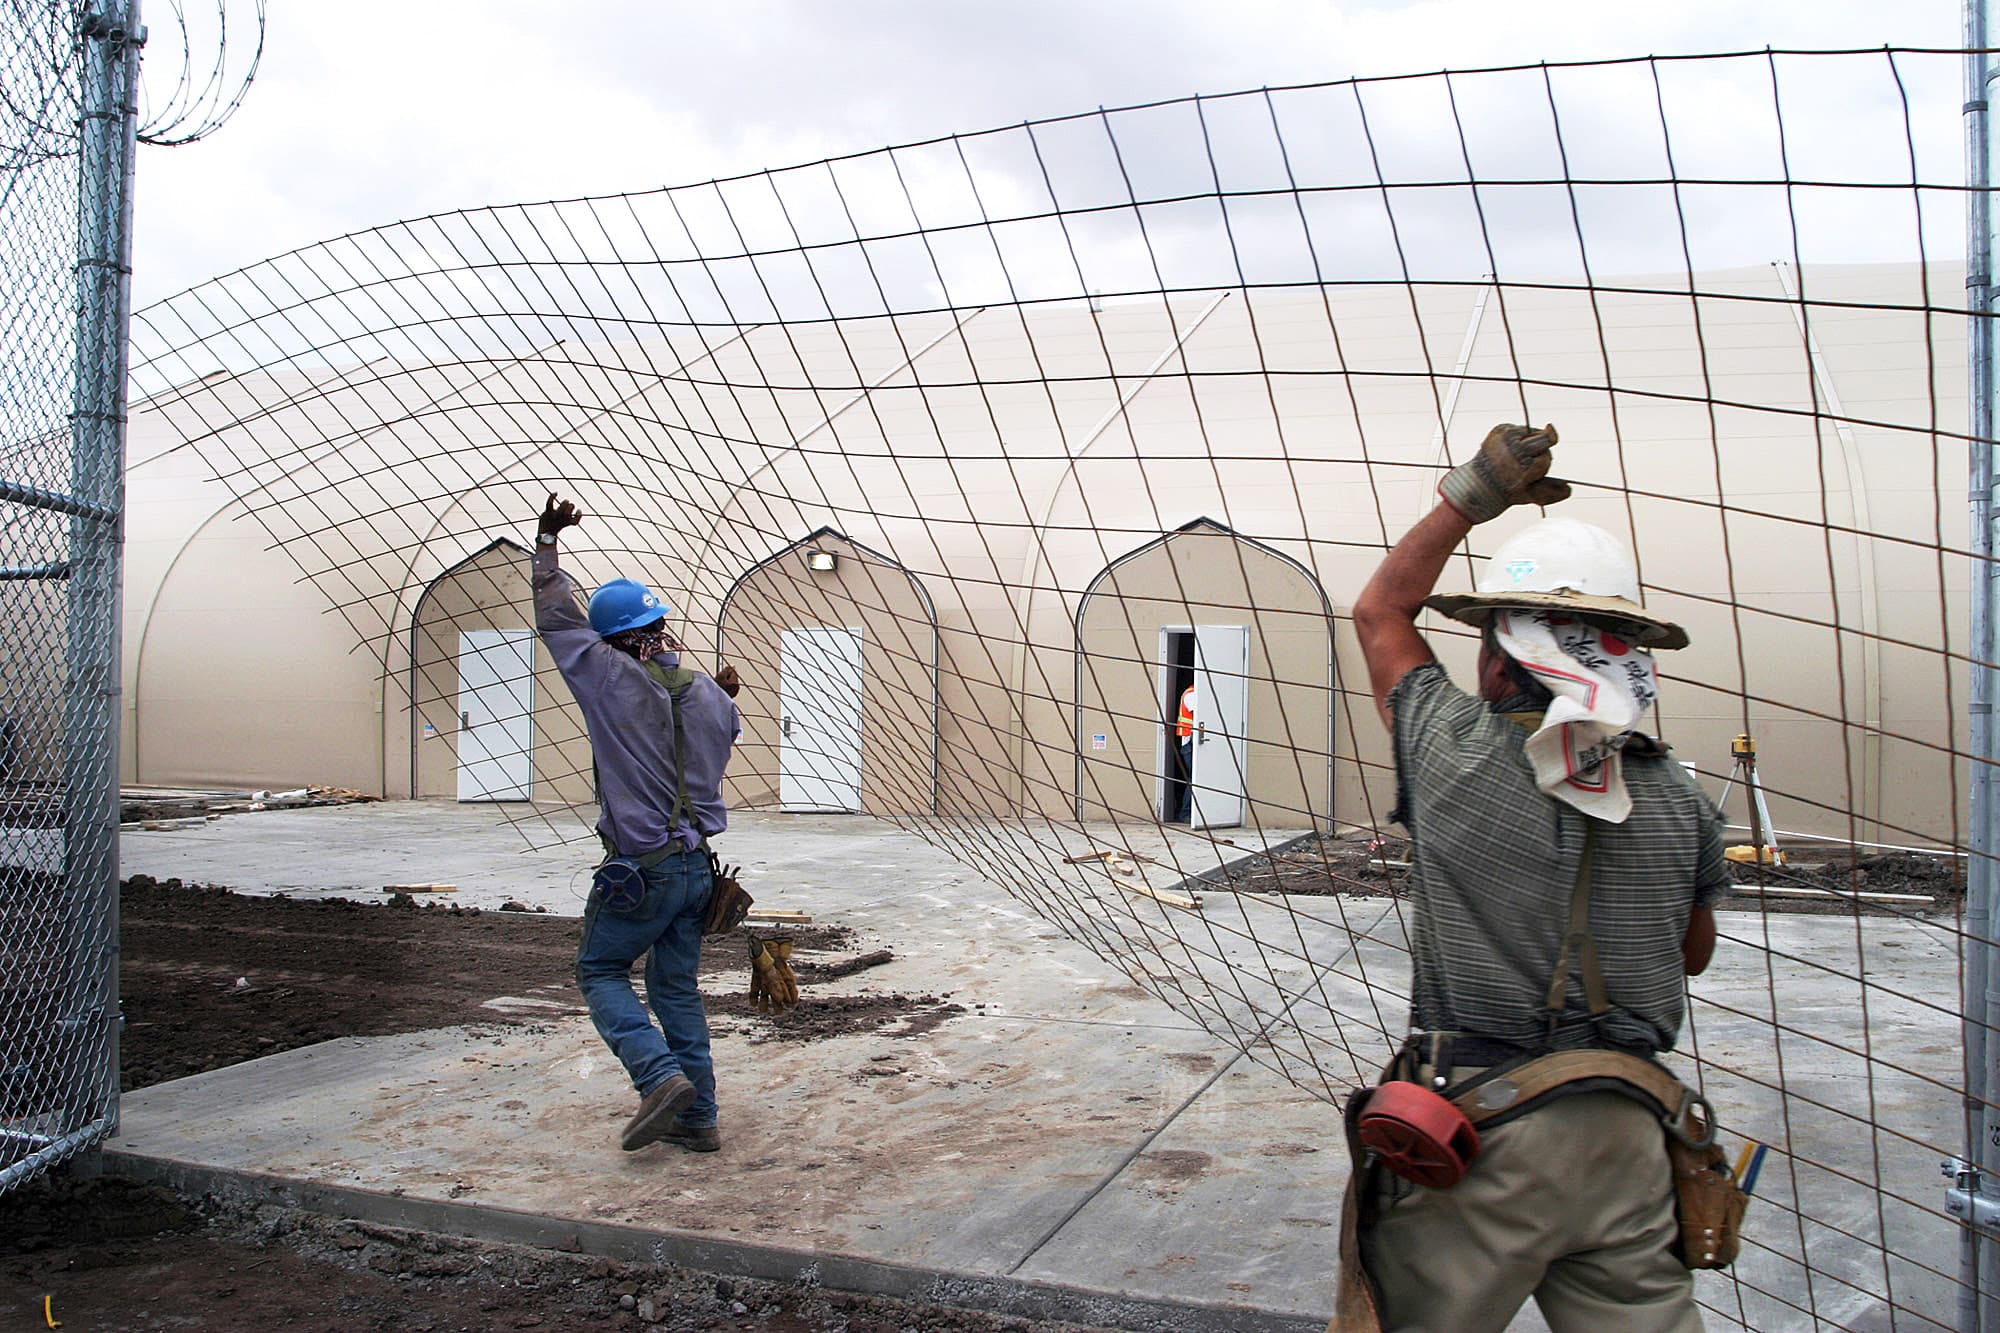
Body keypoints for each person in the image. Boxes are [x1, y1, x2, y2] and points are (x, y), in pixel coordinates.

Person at [1342, 424, 1725, 1333]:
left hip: (1477, 1137)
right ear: (1620, 655)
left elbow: (1379, 613)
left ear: (1500, 652)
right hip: (1634, 1136)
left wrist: (1472, 494)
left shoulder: (1452, 749)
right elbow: (1693, 953)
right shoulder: (1680, 796)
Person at [533, 493, 742, 1155]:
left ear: (611, 637)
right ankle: (698, 1116)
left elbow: (556, 617)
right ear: (659, 624)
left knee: (599, 970)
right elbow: (717, 735)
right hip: (696, 871)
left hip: (641, 869)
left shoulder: (606, 675)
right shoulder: (709, 690)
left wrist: (547, 541)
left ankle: (658, 1078)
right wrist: (719, 696)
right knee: (675, 985)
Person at [1173, 681, 1196, 823]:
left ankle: (1188, 813)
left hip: (1191, 742)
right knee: (1194, 780)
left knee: (1194, 779)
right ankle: (1185, 813)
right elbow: (1200, 714)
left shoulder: (1190, 693)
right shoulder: (1191, 695)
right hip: (1190, 743)